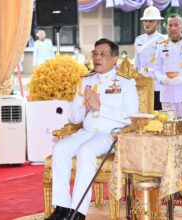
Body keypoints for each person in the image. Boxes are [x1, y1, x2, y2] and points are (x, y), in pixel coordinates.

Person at [46, 38, 139, 220]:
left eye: (103, 54)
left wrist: (100, 107)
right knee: (60, 148)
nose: (97, 57)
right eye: (95, 53)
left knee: (86, 150)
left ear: (114, 59)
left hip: (110, 134)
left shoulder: (126, 83)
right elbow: (73, 117)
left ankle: (78, 211)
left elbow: (131, 116)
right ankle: (62, 207)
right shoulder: (85, 82)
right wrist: (86, 108)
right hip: (87, 132)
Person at [134, 5, 165, 110]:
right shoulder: (139, 40)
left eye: (150, 21)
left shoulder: (163, 40)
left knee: (157, 113)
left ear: (157, 22)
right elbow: (137, 65)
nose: (147, 24)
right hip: (143, 82)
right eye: (145, 21)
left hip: (157, 84)